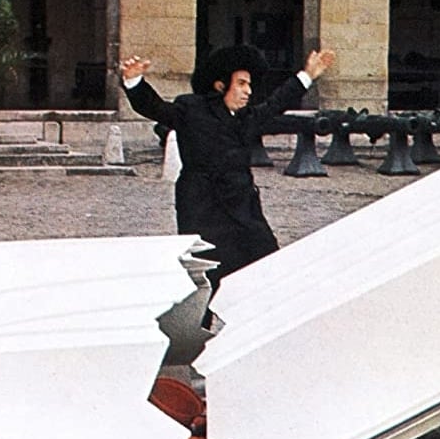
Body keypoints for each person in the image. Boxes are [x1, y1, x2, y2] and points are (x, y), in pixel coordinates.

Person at [119, 44, 335, 289]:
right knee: (209, 276)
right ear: (220, 85)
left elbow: (276, 103)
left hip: (244, 210)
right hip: (203, 209)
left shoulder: (247, 117)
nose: (248, 91)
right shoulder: (191, 109)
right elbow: (155, 107)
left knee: (266, 265)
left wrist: (308, 75)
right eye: (241, 83)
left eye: (249, 85)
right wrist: (134, 81)